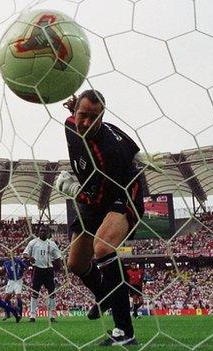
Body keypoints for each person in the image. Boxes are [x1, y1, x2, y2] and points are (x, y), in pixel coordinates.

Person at [57, 89, 144, 346]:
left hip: (122, 193)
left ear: (102, 116)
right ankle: (105, 295)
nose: (86, 123)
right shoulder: (70, 124)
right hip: (94, 192)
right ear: (75, 113)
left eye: (94, 118)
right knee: (75, 263)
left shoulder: (107, 154)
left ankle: (124, 331)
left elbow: (96, 201)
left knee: (104, 247)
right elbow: (133, 146)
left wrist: (71, 189)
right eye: (82, 115)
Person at [22, 229, 62, 322]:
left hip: (48, 270)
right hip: (37, 269)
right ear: (38, 233)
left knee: (52, 293)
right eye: (41, 231)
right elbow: (24, 254)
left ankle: (52, 315)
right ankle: (32, 316)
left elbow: (57, 257)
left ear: (47, 233)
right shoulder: (33, 242)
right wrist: (29, 257)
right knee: (34, 292)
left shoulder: (52, 244)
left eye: (45, 231)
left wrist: (61, 268)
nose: (43, 232)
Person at [1, 255, 28, 320]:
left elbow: (26, 267)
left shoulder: (18, 260)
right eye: (8, 254)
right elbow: (5, 269)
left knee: (18, 296)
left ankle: (19, 314)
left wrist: (24, 275)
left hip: (18, 280)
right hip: (10, 281)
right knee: (6, 298)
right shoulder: (5, 261)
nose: (10, 255)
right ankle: (7, 314)